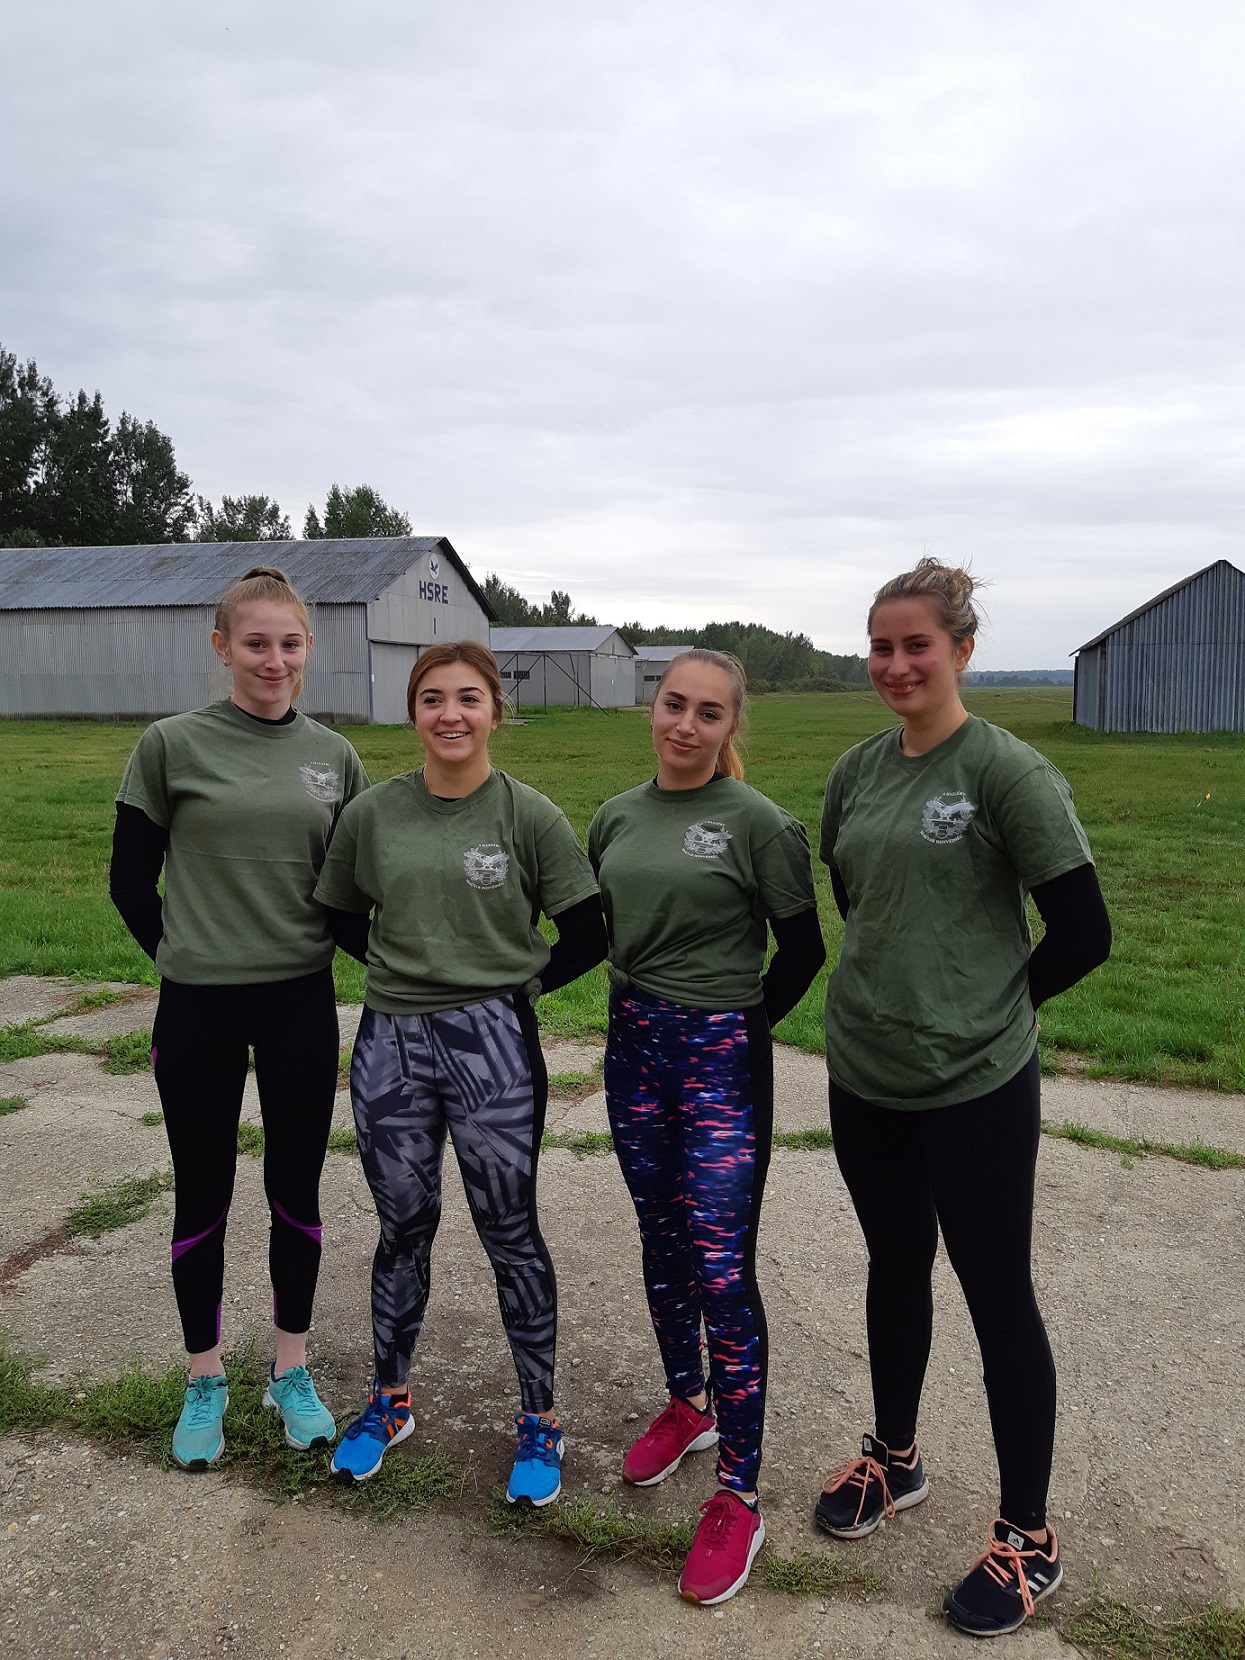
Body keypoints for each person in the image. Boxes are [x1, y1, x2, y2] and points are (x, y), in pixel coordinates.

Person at [814, 559, 1112, 1637]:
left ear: (962, 650)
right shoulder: (855, 772)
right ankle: (895, 1459)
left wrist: (992, 1005)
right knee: (895, 1262)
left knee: (995, 1292)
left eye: (917, 646)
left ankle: (1028, 1537)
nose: (896, 664)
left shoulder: (1006, 771)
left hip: (975, 1083)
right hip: (865, 1070)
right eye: (880, 646)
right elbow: (856, 896)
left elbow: (1084, 932)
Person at [314, 640, 606, 1505]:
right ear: (413, 712)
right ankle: (390, 1401)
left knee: (508, 1230)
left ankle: (540, 1417)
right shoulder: (372, 814)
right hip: (391, 1044)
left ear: (494, 712)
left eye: (468, 698)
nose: (451, 714)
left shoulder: (528, 815)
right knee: (401, 1227)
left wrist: (514, 985)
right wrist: (403, 968)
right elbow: (338, 913)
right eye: (433, 698)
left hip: (493, 1047)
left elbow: (588, 931)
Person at [109, 565, 369, 1470]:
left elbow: (349, 897)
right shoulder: (170, 745)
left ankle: (289, 1368)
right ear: (222, 647)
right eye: (255, 643)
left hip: (299, 1000)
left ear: (308, 649)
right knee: (203, 1189)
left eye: (289, 643)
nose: (273, 659)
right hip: (198, 1007)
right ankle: (205, 1378)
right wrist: (186, 956)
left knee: (295, 1188)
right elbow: (128, 882)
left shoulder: (335, 757)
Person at [588, 649, 826, 1606]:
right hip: (631, 1048)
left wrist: (737, 1029)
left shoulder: (759, 824)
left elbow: (802, 949)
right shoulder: (614, 817)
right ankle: (687, 1404)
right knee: (660, 1239)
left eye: (708, 713)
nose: (685, 725)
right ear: (653, 708)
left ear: (731, 726)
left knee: (722, 1268)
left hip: (720, 1057)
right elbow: (599, 933)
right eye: (673, 704)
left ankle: (739, 1492)